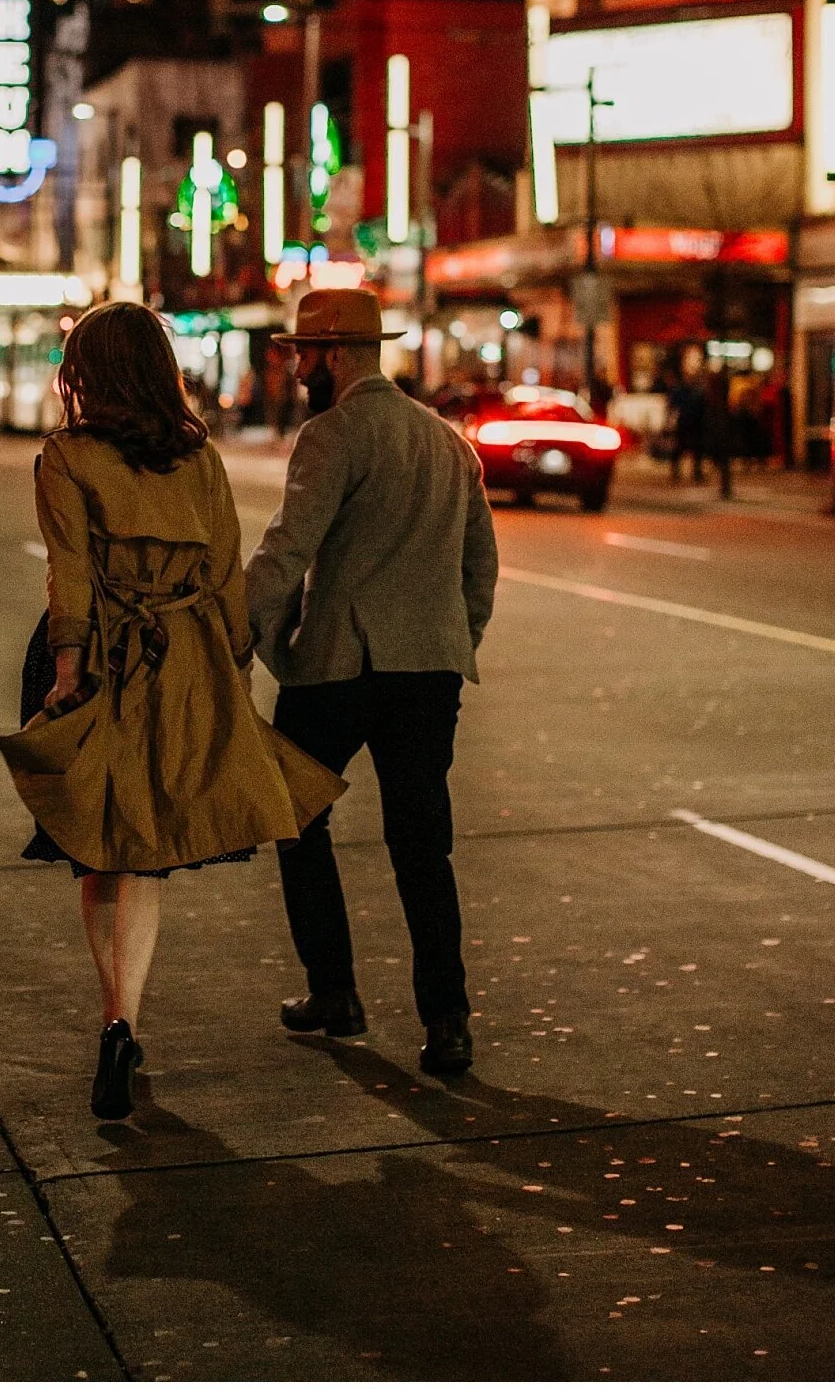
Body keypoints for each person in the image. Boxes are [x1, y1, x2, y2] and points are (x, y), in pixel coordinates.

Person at [0, 301, 346, 1122]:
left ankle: (111, 1018)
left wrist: (69, 669)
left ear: (85, 372)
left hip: (102, 655)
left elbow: (70, 571)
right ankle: (128, 1021)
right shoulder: (199, 457)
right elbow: (227, 571)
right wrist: (228, 664)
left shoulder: (67, 456)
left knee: (94, 841)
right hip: (182, 656)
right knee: (146, 848)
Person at [245, 288, 499, 1079]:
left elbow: (289, 551)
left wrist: (248, 636)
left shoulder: (333, 434)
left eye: (300, 353)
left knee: (294, 814)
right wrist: (452, 639)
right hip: (428, 671)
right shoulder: (446, 439)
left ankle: (335, 992)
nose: (293, 367)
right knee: (424, 846)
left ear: (333, 354)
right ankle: (447, 1022)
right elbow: (479, 568)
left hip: (339, 668)